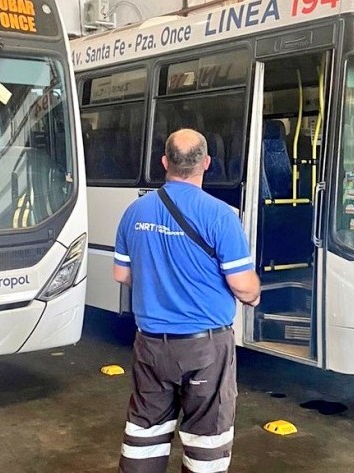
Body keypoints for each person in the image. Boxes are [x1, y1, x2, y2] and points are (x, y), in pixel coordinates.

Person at [113, 128, 261, 473]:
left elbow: (122, 275)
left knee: (145, 432)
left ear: (165, 162)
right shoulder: (221, 216)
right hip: (204, 349)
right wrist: (253, 294)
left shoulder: (134, 212)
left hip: (150, 345)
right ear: (206, 163)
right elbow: (243, 286)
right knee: (206, 440)